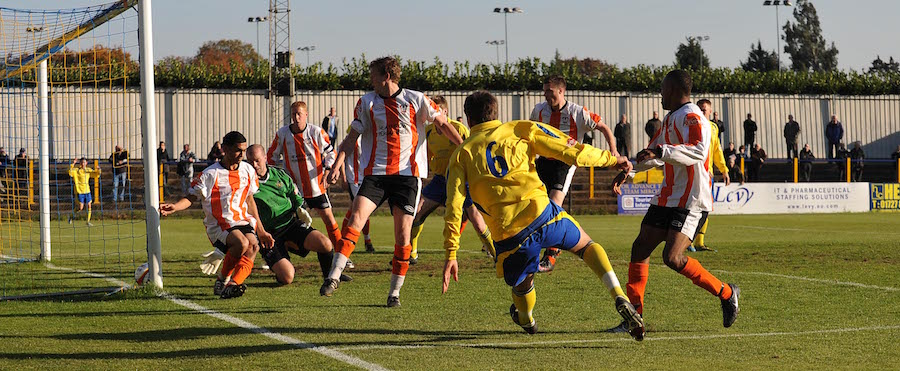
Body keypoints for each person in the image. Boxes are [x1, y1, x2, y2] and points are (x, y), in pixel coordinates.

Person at [440, 90, 644, 340]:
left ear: (469, 121)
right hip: (544, 216)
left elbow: (454, 207)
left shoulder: (461, 154)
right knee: (587, 245)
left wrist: (451, 253)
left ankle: (526, 320)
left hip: (510, 237)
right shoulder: (520, 129)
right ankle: (618, 295)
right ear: (496, 113)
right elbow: (572, 151)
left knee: (523, 284)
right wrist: (612, 159)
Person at [321, 56, 463, 307]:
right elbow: (352, 137)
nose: (370, 81)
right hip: (376, 174)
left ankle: (394, 292)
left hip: (407, 177)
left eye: (373, 76)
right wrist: (338, 163)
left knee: (403, 234)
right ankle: (333, 276)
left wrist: (464, 147)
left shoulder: (416, 99)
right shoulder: (366, 102)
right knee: (355, 218)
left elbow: (443, 123)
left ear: (386, 76)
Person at [622, 69, 740, 333]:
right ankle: (634, 318)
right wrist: (628, 170)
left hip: (691, 199)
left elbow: (699, 150)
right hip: (668, 195)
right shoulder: (670, 119)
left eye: (663, 89)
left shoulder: (692, 117)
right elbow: (652, 154)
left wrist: (661, 150)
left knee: (672, 258)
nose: (660, 94)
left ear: (673, 90)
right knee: (640, 248)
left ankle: (726, 292)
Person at [160, 131, 274, 299]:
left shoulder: (248, 170)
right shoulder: (210, 174)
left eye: (243, 150)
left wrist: (262, 231)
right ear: (225, 149)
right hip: (220, 224)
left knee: (254, 246)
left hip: (242, 220)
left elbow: (250, 201)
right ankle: (223, 279)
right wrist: (175, 207)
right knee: (242, 243)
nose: (242, 155)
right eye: (237, 150)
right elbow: (192, 197)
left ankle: (232, 285)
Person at [528, 75, 618, 273]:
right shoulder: (539, 110)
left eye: (549, 91)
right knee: (533, 205)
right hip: (542, 162)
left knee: (552, 206)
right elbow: (530, 132)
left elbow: (603, 127)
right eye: (544, 91)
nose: (545, 95)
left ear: (561, 91)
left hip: (565, 164)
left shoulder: (578, 112)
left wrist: (614, 152)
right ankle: (530, 250)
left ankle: (551, 254)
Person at [244, 144, 351, 285]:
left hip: (290, 225)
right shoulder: (245, 182)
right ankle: (277, 262)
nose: (254, 165)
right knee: (287, 277)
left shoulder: (280, 175)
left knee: (325, 244)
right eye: (250, 161)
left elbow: (295, 196)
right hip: (268, 234)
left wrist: (300, 209)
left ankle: (330, 276)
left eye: (257, 160)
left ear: (265, 158)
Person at [409, 95, 495, 265]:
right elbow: (425, 155)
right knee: (417, 212)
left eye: (436, 110)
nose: (432, 114)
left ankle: (496, 255)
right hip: (440, 181)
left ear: (445, 111)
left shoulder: (458, 128)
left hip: (461, 180)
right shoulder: (428, 132)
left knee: (476, 220)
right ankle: (411, 253)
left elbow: (470, 152)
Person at [691, 99, 730, 252]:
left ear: (710, 111)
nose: (701, 112)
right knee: (692, 207)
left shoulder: (713, 128)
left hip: (708, 174)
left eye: (704, 109)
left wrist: (724, 170)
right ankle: (686, 240)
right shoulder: (691, 125)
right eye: (699, 109)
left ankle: (699, 242)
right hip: (693, 172)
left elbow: (717, 150)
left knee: (706, 207)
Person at [342, 126, 375, 254]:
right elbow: (342, 156)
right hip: (354, 179)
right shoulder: (351, 141)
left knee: (358, 210)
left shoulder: (367, 140)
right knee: (360, 210)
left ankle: (344, 239)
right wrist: (343, 177)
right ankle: (365, 241)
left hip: (365, 178)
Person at [67, 157, 100, 226]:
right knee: (80, 208)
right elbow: (70, 172)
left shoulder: (88, 170)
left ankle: (88, 221)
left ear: (86, 163)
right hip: (79, 191)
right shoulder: (76, 170)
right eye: (81, 162)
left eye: (84, 162)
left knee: (89, 205)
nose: (83, 164)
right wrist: (73, 164)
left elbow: (96, 174)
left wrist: (99, 170)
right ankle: (70, 216)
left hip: (87, 191)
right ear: (80, 163)